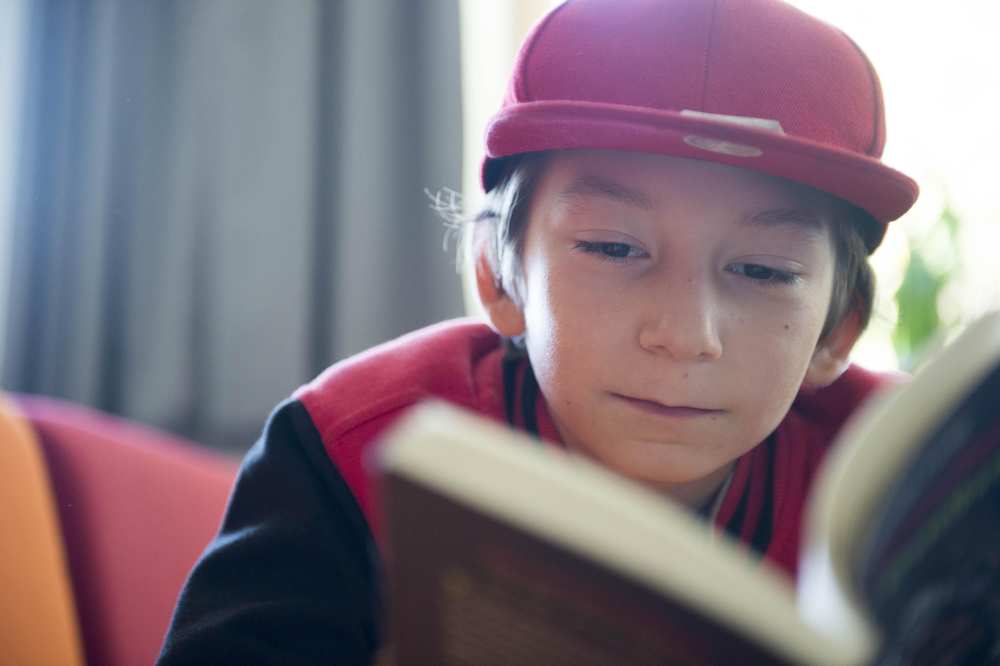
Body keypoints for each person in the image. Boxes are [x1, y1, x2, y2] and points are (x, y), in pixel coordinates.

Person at [157, 0, 918, 663]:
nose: (686, 336)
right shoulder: (353, 447)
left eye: (760, 271)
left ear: (837, 330)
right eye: (615, 249)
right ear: (498, 277)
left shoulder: (901, 480)